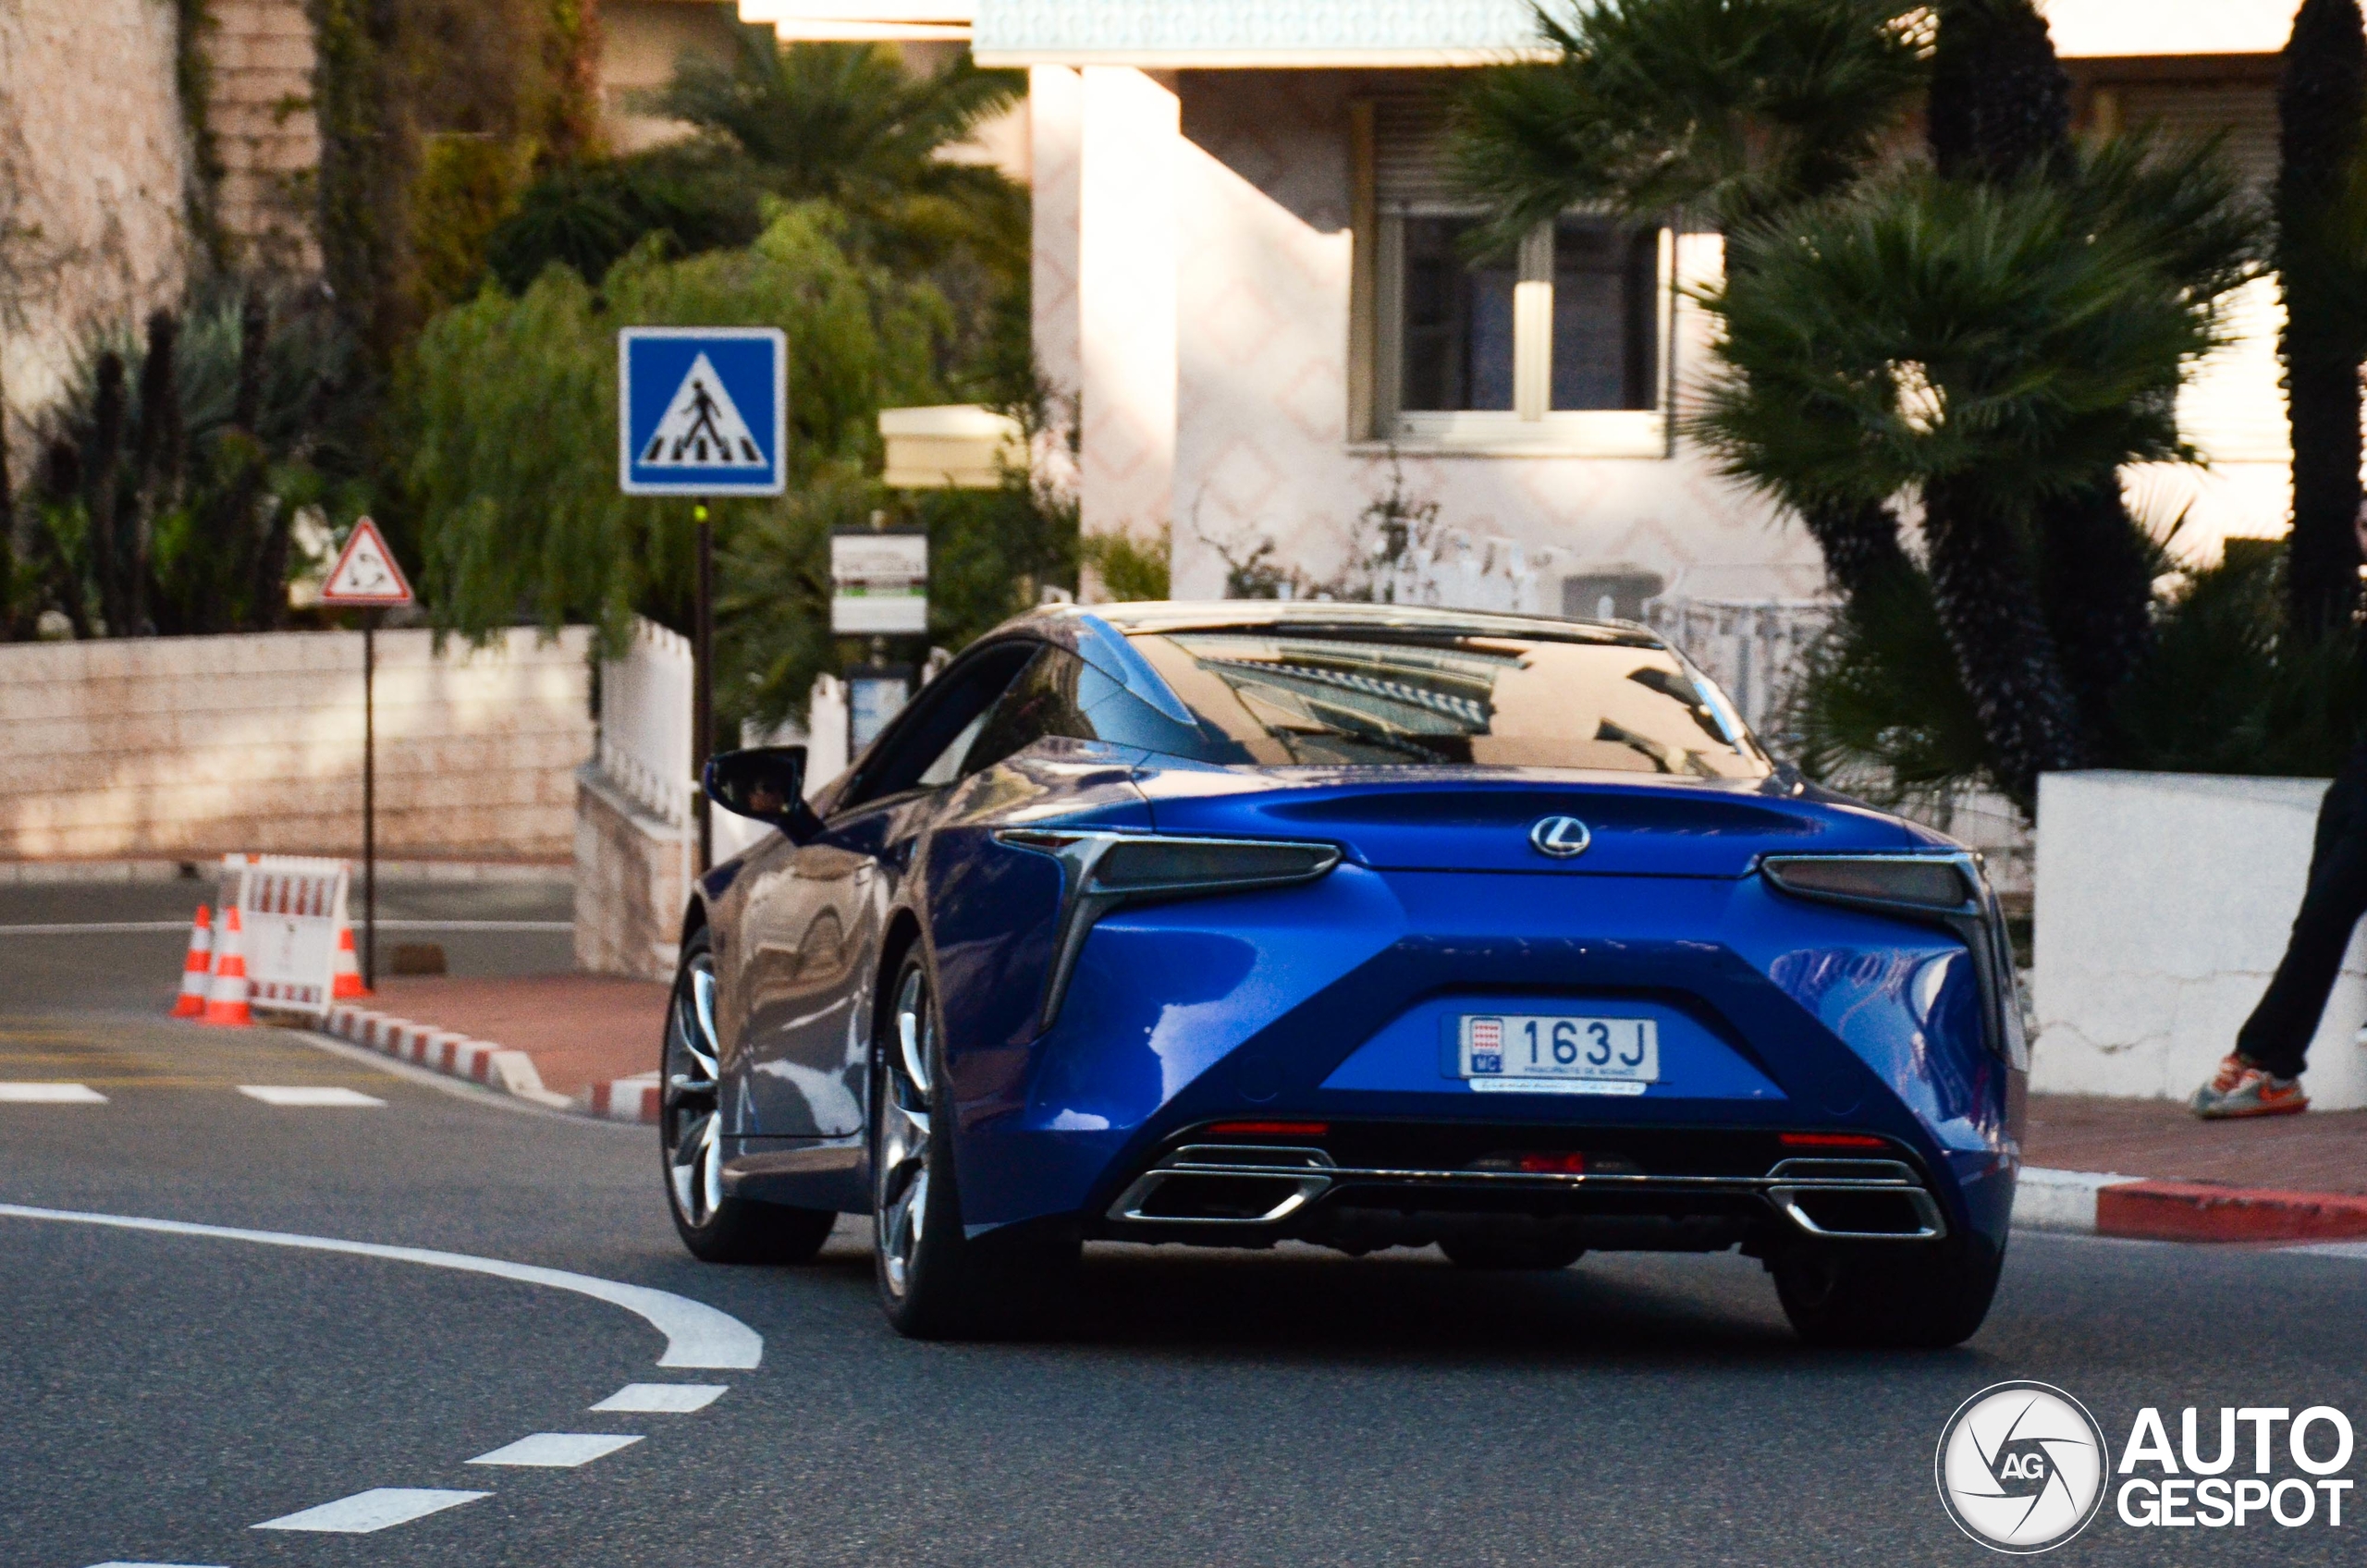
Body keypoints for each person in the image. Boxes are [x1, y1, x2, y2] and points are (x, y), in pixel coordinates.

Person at [2191, 740, 2367, 1118]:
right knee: (2313, 930)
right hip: (2355, 781)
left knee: (2322, 922)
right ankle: (2279, 1073)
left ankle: (2257, 1051)